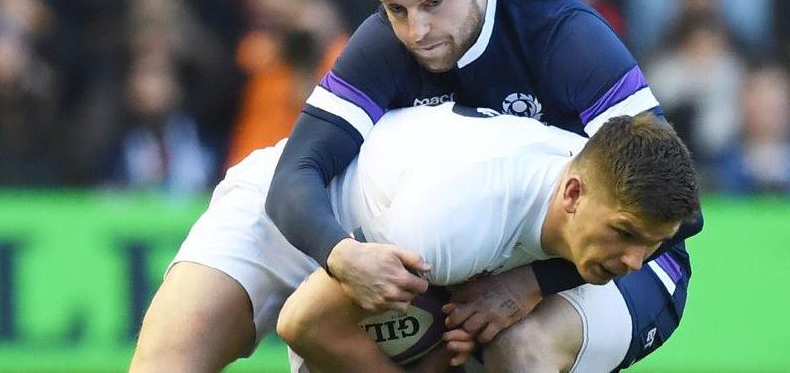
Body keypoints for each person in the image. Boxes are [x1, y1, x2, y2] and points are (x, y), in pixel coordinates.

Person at [131, 0, 702, 372]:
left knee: (521, 347)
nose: (418, 32)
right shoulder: (385, 41)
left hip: (562, 247)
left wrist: (534, 282)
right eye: (396, 9)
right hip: (377, 227)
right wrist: (339, 254)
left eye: (433, 3)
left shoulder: (563, 37)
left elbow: (677, 206)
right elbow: (295, 174)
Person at [278, 108, 700, 372]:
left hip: (443, 240)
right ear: (572, 194)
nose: (633, 261)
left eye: (651, 242)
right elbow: (303, 322)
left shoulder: (601, 194)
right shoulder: (447, 222)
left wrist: (529, 284)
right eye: (623, 233)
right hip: (310, 204)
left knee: (519, 347)